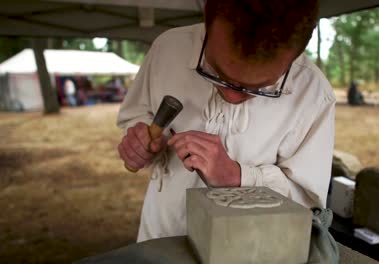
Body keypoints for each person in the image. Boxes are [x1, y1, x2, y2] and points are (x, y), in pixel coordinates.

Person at [117, 0, 335, 242]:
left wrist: (238, 177)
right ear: (207, 22)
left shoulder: (314, 95)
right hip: (159, 235)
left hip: (244, 250)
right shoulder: (168, 49)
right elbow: (137, 114)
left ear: (295, 55)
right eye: (216, 72)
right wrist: (139, 142)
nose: (232, 96)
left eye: (260, 88)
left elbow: (307, 206)